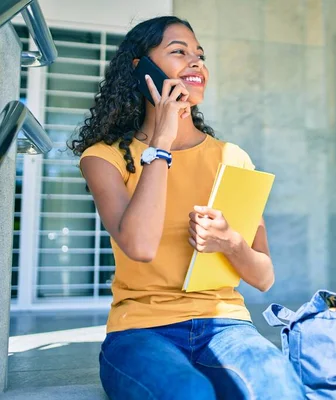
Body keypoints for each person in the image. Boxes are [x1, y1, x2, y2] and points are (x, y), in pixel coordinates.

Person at [68, 16, 304, 400]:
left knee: (278, 387)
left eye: (200, 55)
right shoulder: (104, 158)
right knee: (188, 392)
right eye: (179, 52)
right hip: (140, 330)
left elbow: (264, 277)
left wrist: (230, 242)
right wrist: (160, 141)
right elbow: (141, 247)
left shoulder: (232, 157)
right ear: (140, 68)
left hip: (227, 325)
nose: (196, 62)